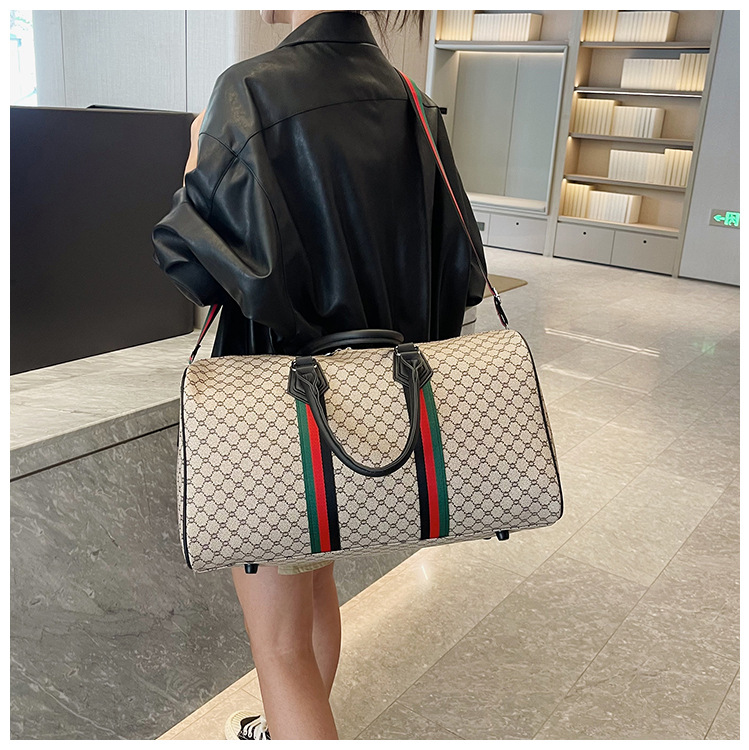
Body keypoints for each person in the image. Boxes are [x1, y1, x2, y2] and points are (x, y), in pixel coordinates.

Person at [152, 9, 487, 740]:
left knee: (277, 647)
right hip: (375, 411)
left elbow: (195, 269)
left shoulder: (246, 93)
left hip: (272, 412)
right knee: (317, 581)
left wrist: (193, 165)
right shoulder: (414, 102)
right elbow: (465, 279)